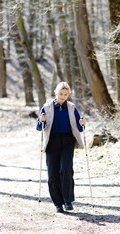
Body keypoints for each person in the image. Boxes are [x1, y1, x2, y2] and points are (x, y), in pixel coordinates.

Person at [36, 82, 86, 213]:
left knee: (66, 169)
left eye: (65, 94)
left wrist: (82, 123)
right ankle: (58, 203)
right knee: (53, 173)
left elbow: (79, 127)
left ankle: (68, 200)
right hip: (52, 141)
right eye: (61, 94)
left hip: (67, 141)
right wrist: (41, 120)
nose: (63, 96)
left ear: (68, 94)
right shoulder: (47, 107)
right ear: (56, 93)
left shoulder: (71, 107)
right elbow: (39, 127)